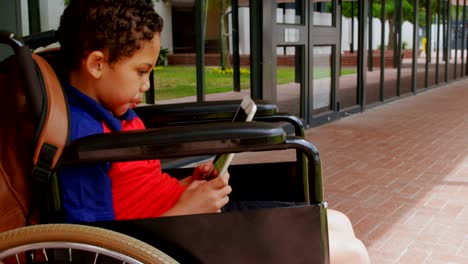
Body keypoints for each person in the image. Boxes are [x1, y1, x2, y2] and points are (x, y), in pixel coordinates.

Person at [56, 0, 369, 263]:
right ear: (97, 64)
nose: (147, 85)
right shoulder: (84, 141)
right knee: (348, 253)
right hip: (172, 240)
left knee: (338, 222)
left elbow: (136, 188)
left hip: (188, 217)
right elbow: (94, 248)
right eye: (141, 71)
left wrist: (188, 184)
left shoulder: (116, 114)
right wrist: (186, 209)